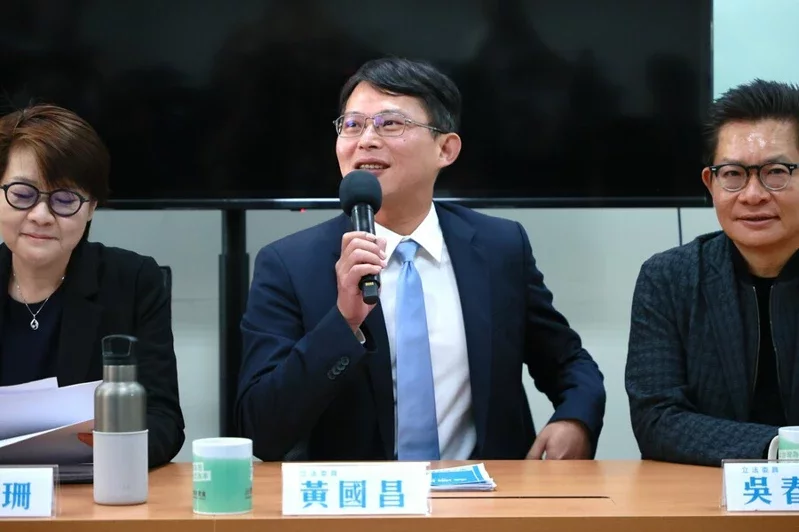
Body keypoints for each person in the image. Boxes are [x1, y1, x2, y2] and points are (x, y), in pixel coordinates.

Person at [237, 57, 605, 462]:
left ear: (445, 149)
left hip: (486, 494)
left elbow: (569, 364)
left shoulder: (500, 248)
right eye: (352, 124)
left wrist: (575, 420)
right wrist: (343, 323)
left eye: (390, 123)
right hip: (359, 498)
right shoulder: (289, 265)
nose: (366, 140)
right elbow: (261, 429)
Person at [625, 79, 799, 467]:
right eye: (733, 174)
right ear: (711, 182)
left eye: (776, 171)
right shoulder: (668, 278)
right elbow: (656, 419)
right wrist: (780, 447)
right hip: (706, 494)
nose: (752, 195)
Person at [0, 104, 185, 467]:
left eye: (64, 200)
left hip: (91, 483)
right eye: (22, 195)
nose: (41, 215)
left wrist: (99, 454)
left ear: (91, 207)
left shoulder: (133, 281)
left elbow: (163, 420)